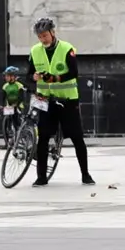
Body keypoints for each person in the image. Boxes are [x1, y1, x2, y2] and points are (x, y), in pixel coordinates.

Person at [26, 17, 94, 186]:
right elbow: (28, 75)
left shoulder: (66, 49)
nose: (43, 39)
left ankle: (85, 174)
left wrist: (55, 78)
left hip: (67, 100)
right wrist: (33, 77)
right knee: (43, 137)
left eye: (45, 35)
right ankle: (41, 177)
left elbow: (73, 73)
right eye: (40, 36)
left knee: (77, 137)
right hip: (45, 101)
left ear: (53, 32)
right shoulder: (35, 51)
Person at [0, 65, 26, 143]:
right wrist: (1, 106)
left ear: (13, 76)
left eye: (7, 76)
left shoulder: (19, 85)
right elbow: (3, 98)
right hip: (9, 107)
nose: (5, 77)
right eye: (5, 76)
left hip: (18, 106)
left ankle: (20, 137)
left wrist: (16, 104)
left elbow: (21, 98)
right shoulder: (5, 86)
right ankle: (7, 143)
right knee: (7, 124)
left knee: (16, 122)